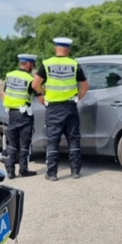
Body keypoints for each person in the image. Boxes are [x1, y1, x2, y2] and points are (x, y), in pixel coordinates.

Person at [32, 37, 89, 181]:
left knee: (53, 141)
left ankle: (52, 174)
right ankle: (75, 172)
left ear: (56, 48)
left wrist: (42, 95)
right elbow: (85, 87)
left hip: (53, 108)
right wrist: (77, 98)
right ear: (68, 49)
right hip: (70, 107)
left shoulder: (47, 64)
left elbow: (35, 85)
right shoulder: (74, 64)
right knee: (74, 139)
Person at [3, 53, 43, 179]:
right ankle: (23, 170)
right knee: (25, 144)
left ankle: (10, 172)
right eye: (33, 64)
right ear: (29, 64)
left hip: (11, 114)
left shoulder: (10, 75)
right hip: (24, 115)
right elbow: (39, 94)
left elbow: (4, 93)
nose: (34, 67)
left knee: (12, 144)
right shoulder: (30, 79)